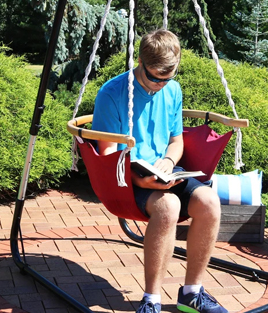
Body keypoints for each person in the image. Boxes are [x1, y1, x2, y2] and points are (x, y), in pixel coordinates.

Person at [92, 29, 227, 313]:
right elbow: (106, 154)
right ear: (140, 62)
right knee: (168, 206)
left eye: (167, 78)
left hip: (163, 171)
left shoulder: (172, 90)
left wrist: (168, 159)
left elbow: (176, 141)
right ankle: (151, 300)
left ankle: (191, 292)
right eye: (154, 77)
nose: (160, 85)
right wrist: (138, 179)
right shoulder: (113, 94)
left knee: (210, 202)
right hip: (125, 181)